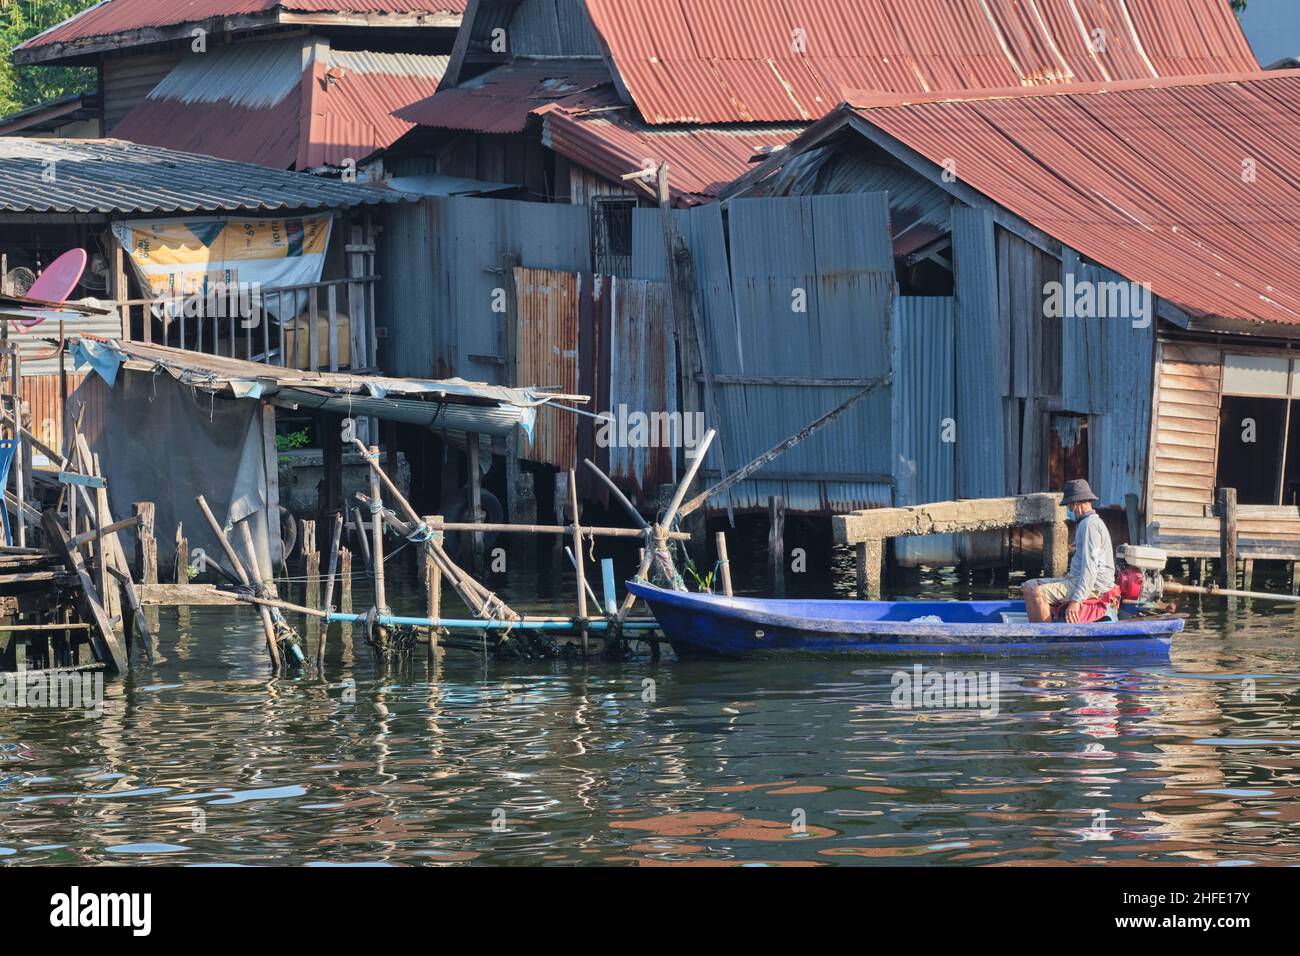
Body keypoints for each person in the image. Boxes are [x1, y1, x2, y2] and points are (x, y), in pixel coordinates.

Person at [1023, 479, 1117, 624]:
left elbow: (1090, 568)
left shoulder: (1089, 525)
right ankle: (1035, 634)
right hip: (1077, 579)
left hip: (1095, 586)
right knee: (1029, 587)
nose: (1069, 509)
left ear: (1075, 504)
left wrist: (1077, 600)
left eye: (1069, 505)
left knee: (1038, 593)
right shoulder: (1086, 523)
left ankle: (1047, 641)